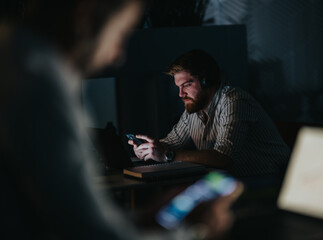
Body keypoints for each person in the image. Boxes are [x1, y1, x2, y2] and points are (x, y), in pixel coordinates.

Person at [0, 1, 241, 239]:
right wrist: (193, 231)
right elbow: (91, 230)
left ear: (206, 80)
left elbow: (76, 219)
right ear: (85, 15)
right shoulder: (39, 83)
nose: (117, 56)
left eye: (186, 85)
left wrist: (145, 217)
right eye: (120, 34)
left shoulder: (18, 59)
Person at [129, 49, 291, 177]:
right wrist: (150, 148)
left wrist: (167, 155)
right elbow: (172, 142)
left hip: (272, 180)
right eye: (178, 87)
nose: (181, 94)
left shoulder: (234, 101)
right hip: (234, 180)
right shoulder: (194, 108)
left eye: (186, 85)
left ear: (206, 80)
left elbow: (223, 158)